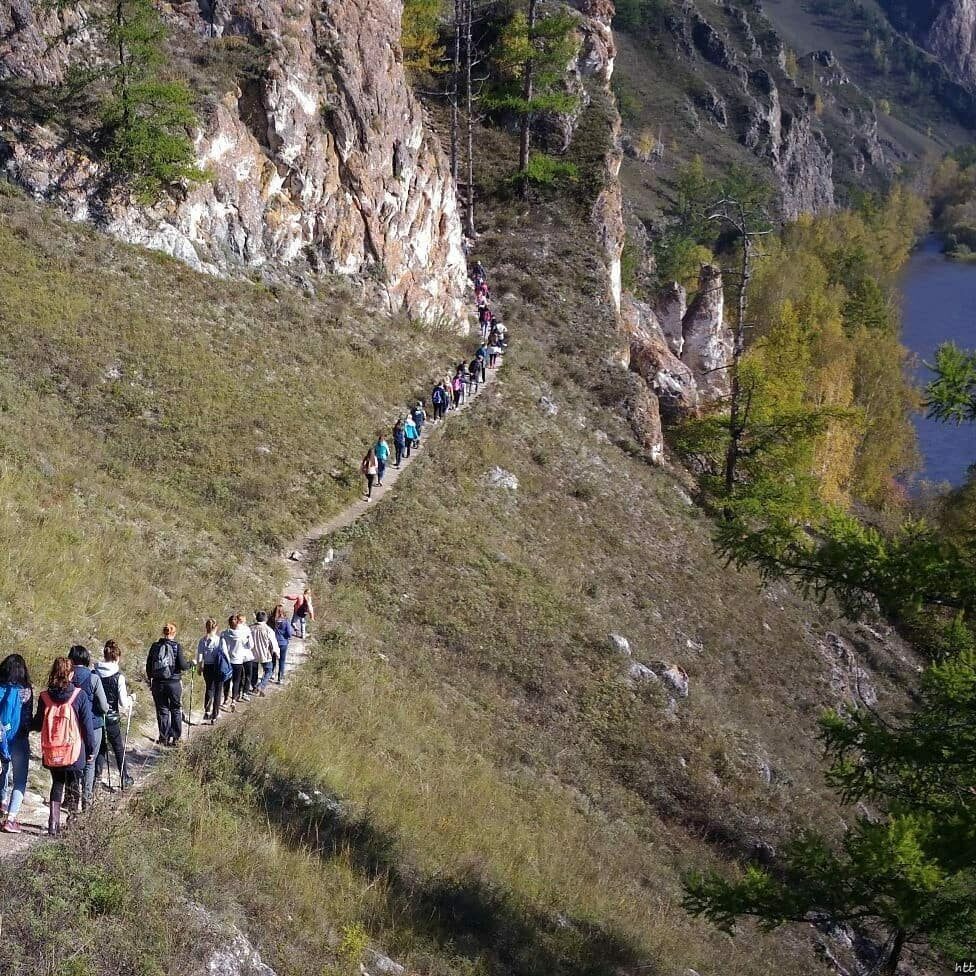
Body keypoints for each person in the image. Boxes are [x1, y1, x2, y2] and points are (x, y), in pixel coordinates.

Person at [34, 656, 95, 837]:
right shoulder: (79, 695)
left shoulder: (44, 697)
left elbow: (38, 724)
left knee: (57, 783)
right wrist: (90, 750)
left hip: (53, 750)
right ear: (70, 674)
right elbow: (87, 727)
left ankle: (53, 825)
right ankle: (72, 822)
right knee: (74, 785)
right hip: (74, 750)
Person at [68, 645, 109, 810]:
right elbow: (104, 706)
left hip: (71, 726)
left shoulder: (67, 677)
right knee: (89, 762)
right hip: (93, 726)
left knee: (73, 762)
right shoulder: (94, 678)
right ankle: (87, 802)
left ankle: (72, 799)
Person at [0, 654, 33, 834]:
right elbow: (28, 718)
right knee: (19, 780)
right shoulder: (26, 691)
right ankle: (11, 819)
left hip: (0, 736)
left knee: (3, 769)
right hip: (19, 739)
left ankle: (1, 801)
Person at [95, 640, 135, 789]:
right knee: (118, 748)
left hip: (97, 716)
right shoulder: (119, 677)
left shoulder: (95, 673)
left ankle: (96, 779)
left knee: (100, 749)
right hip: (112, 718)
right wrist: (132, 699)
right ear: (117, 657)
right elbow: (123, 702)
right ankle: (124, 778)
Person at [145, 623, 192, 746]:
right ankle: (176, 738)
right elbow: (182, 665)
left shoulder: (155, 646)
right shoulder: (177, 646)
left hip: (158, 683)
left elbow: (148, 665)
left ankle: (163, 737)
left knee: (162, 710)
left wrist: (151, 679)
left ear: (163, 632)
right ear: (174, 633)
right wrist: (191, 664)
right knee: (175, 709)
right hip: (174, 683)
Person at [196, 619, 229, 724]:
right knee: (218, 691)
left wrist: (199, 667)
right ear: (216, 627)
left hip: (207, 667)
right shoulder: (220, 640)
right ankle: (215, 715)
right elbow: (225, 655)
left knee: (209, 688)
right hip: (218, 667)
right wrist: (228, 666)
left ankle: (207, 711)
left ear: (206, 628)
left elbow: (200, 656)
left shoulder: (202, 641)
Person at [219, 614, 254, 709]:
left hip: (227, 660)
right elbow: (250, 646)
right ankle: (234, 700)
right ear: (238, 623)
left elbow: (222, 647)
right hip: (238, 660)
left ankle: (226, 699)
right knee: (237, 681)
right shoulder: (242, 634)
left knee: (226, 681)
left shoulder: (224, 633)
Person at [251, 611, 278, 696]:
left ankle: (254, 686)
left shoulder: (250, 628)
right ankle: (261, 686)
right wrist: (277, 653)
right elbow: (273, 643)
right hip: (265, 654)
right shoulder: (268, 630)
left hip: (253, 654)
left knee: (254, 672)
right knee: (269, 671)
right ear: (265, 619)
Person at [272, 605, 292, 683]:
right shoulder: (286, 621)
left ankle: (271, 674)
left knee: (273, 659)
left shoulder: (272, 620)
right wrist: (287, 637)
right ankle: (280, 678)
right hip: (283, 642)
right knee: (282, 660)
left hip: (274, 642)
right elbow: (289, 633)